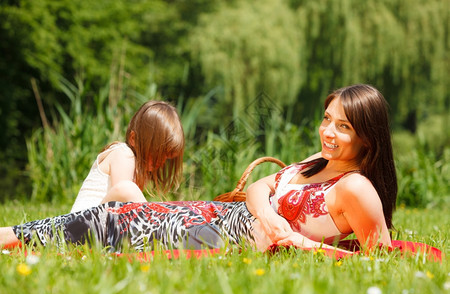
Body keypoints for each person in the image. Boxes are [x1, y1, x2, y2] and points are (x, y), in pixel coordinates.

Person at [0, 84, 396, 253]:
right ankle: (11, 237)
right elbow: (259, 185)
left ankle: (10, 238)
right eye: (327, 119)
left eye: (343, 126)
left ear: (368, 136)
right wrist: (271, 216)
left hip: (221, 235)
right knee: (121, 214)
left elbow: (378, 255)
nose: (328, 132)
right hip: (221, 215)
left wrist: (301, 242)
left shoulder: (355, 188)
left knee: (119, 223)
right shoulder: (317, 163)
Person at [69, 100, 185, 213]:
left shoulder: (138, 171)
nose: (161, 160)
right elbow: (121, 202)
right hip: (79, 226)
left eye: (166, 157)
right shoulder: (124, 153)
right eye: (156, 152)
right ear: (133, 139)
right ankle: (157, 224)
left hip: (98, 225)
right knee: (127, 189)